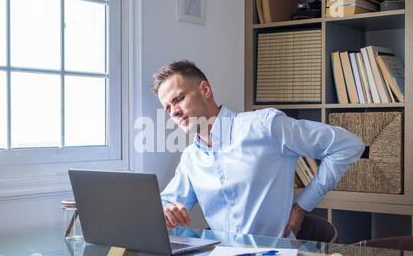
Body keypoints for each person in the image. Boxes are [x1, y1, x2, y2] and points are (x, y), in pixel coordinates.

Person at [152, 60, 364, 239]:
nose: (175, 112)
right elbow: (167, 201)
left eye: (178, 99)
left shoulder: (264, 126)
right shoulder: (191, 158)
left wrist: (302, 206)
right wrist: (166, 210)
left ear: (205, 90)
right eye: (168, 108)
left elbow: (347, 145)